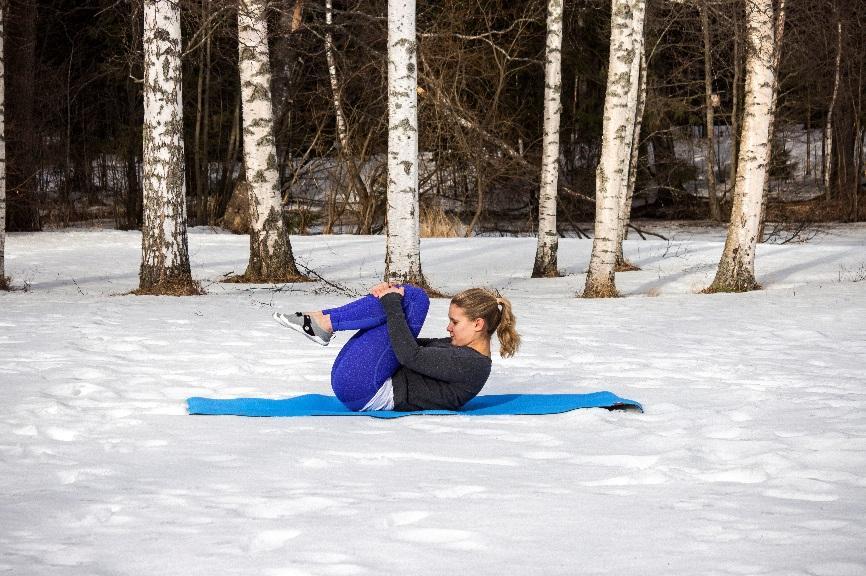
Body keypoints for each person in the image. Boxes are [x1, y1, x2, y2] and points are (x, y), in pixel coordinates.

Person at [273, 283, 520, 412]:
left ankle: (324, 322)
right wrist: (388, 300)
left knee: (414, 299)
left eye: (454, 322)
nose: (448, 328)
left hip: (364, 390)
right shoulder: (463, 351)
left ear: (478, 324)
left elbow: (408, 354)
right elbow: (403, 341)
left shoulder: (471, 364)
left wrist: (391, 302)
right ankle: (323, 321)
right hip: (360, 384)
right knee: (409, 297)